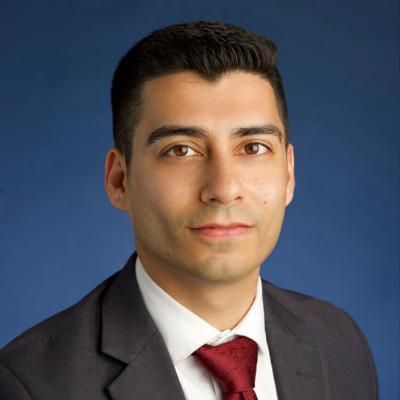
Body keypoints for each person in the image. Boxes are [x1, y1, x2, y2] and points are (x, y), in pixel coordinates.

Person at [0, 21, 378, 400]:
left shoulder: (339, 343)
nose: (224, 189)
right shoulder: (28, 385)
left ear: (289, 174)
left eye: (253, 147)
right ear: (120, 180)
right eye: (181, 150)